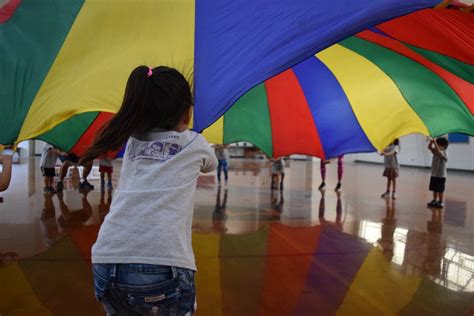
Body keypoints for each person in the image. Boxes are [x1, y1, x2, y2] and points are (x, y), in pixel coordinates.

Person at [80, 66, 217, 315]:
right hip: (161, 265)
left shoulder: (133, 141)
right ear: (186, 113)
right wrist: (195, 136)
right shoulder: (196, 143)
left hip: (106, 258)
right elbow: (211, 164)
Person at [427, 137, 449, 208]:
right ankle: (434, 200)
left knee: (440, 190)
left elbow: (440, 153)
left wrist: (435, 142)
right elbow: (429, 147)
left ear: (444, 146)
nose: (437, 146)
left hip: (441, 175)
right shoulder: (435, 152)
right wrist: (431, 142)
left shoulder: (445, 153)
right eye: (437, 144)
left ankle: (441, 201)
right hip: (434, 174)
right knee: (434, 189)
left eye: (439, 145)